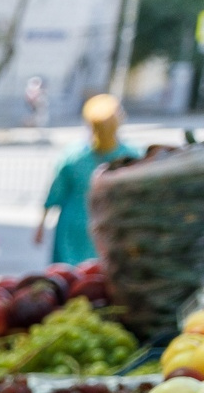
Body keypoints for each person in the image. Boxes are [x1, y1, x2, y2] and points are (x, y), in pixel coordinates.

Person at [35, 93, 138, 265]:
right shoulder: (132, 157)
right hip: (108, 227)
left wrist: (40, 225)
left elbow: (55, 193)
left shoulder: (74, 156)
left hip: (74, 227)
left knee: (68, 280)